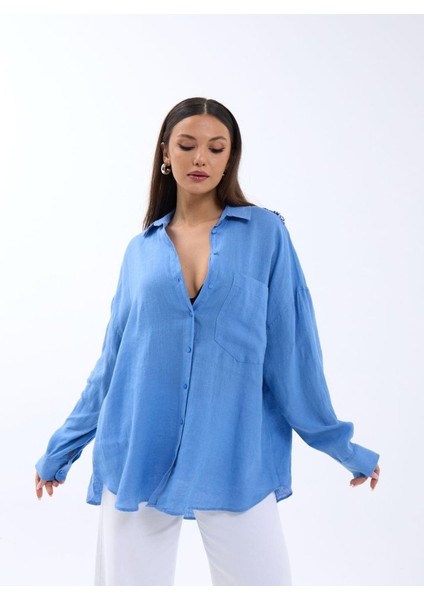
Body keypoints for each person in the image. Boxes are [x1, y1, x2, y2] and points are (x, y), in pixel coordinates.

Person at [35, 97, 380, 586]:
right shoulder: (139, 252)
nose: (201, 158)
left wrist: (341, 446)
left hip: (236, 453)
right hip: (136, 447)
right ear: (165, 152)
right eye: (187, 145)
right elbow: (112, 364)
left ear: (230, 157)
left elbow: (293, 353)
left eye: (217, 148)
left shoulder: (266, 235)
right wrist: (61, 449)